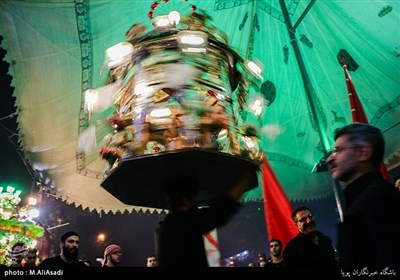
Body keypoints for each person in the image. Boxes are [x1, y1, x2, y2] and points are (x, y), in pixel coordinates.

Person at [327, 123, 400, 270]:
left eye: (338, 150)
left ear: (364, 152)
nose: (329, 159)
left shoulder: (379, 199)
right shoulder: (362, 198)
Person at [154, 171, 257, 267]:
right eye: (195, 200)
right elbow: (220, 211)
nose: (197, 205)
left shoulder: (163, 228)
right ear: (186, 201)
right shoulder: (185, 224)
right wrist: (246, 180)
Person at [283, 206, 336, 271]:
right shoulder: (291, 248)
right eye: (303, 219)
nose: (309, 221)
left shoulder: (325, 240)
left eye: (310, 216)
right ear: (297, 225)